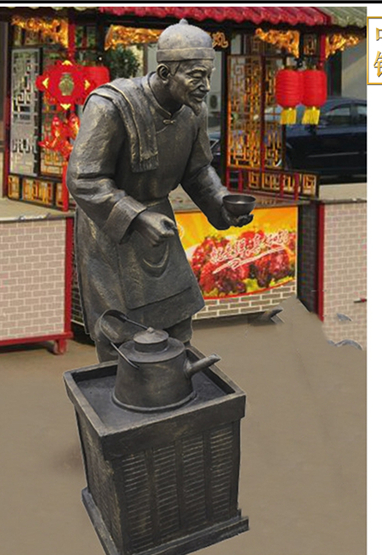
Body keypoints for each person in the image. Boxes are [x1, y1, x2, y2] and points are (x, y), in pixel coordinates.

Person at [67, 19, 254, 361]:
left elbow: (198, 170)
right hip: (112, 233)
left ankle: (177, 383)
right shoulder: (111, 106)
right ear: (166, 73)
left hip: (160, 226)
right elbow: (83, 178)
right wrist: (137, 218)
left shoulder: (193, 112)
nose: (205, 86)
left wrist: (221, 202)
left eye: (208, 76)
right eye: (196, 76)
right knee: (123, 339)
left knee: (178, 323)